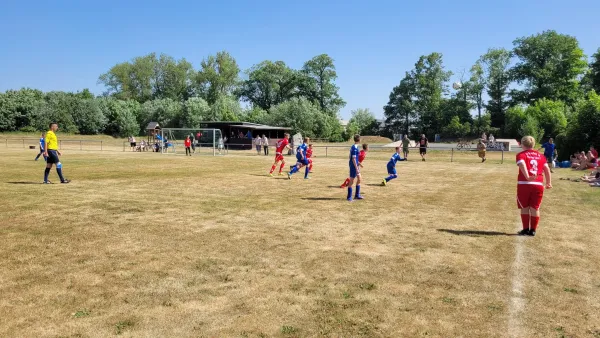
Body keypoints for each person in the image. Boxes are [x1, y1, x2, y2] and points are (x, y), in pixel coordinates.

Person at [516, 135, 552, 237]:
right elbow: (546, 169)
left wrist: (527, 176)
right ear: (534, 144)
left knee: (524, 207)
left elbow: (522, 164)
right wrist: (549, 182)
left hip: (524, 184)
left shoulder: (521, 154)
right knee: (535, 208)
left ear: (522, 144)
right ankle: (533, 230)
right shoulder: (541, 156)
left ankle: (525, 229)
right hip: (538, 184)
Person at [346, 135, 363, 201]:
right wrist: (356, 168)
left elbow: (350, 156)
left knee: (359, 179)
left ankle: (357, 195)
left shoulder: (355, 147)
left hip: (356, 165)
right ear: (359, 140)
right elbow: (353, 158)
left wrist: (359, 163)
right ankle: (349, 197)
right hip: (354, 166)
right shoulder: (354, 148)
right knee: (352, 180)